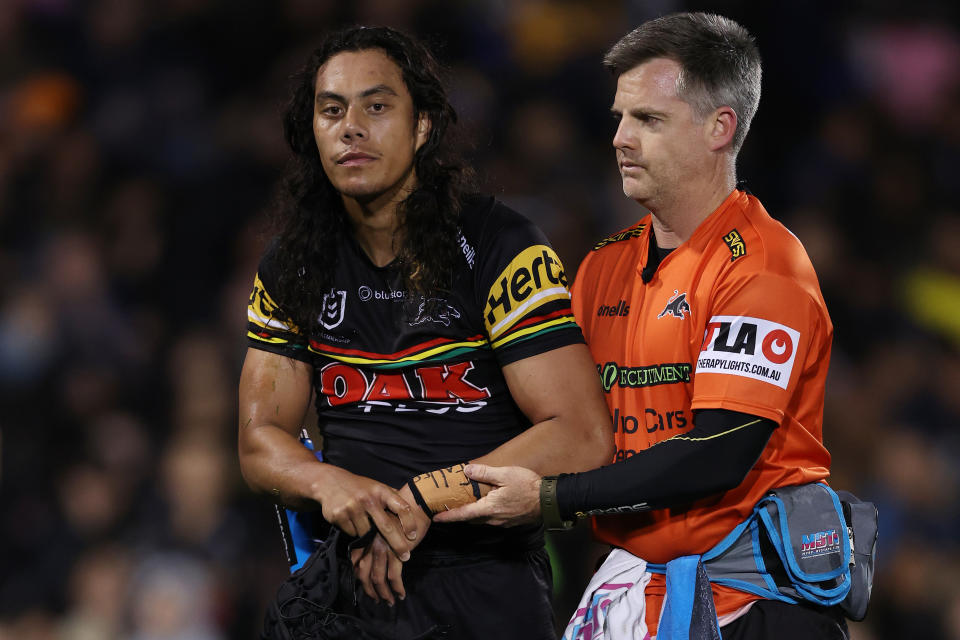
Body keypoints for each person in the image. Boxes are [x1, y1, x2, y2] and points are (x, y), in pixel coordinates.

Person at [436, 12, 850, 639]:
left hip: (756, 608)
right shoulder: (603, 267)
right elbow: (551, 421)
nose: (620, 139)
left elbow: (717, 453)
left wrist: (549, 498)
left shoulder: (763, 267)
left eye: (648, 120)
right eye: (619, 118)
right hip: (636, 594)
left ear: (720, 128)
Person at [237, 26, 614, 640]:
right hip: (357, 584)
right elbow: (261, 442)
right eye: (331, 110)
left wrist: (419, 503)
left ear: (422, 127)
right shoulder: (292, 264)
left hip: (486, 583)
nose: (350, 126)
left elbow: (580, 433)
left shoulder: (501, 247)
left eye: (376, 106)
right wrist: (327, 482)